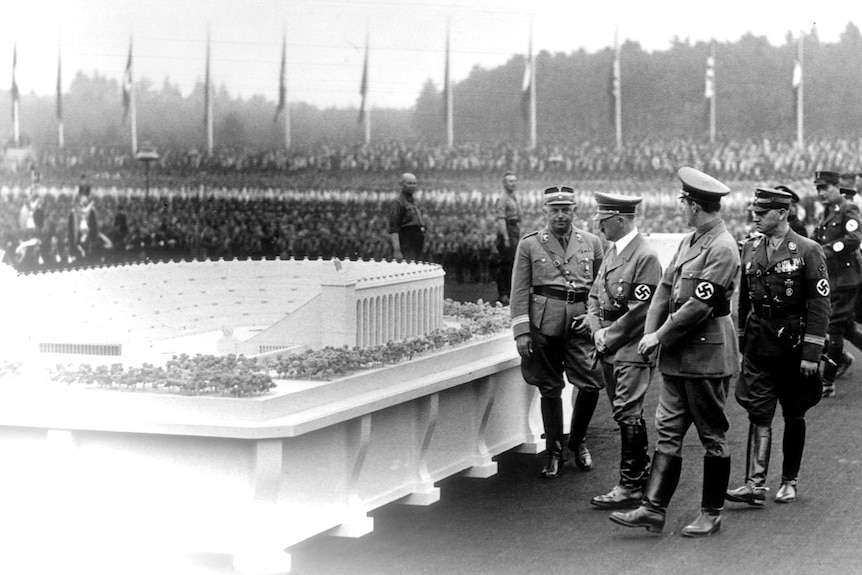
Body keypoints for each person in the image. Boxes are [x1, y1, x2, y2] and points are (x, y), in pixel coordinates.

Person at [610, 167, 739, 537]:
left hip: (706, 356)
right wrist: (649, 335)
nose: (681, 207)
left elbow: (698, 308)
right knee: (667, 430)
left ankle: (711, 513)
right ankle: (652, 508)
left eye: (684, 202)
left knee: (712, 435)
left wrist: (659, 337)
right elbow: (664, 291)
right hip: (678, 356)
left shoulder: (722, 247)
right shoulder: (690, 241)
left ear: (696, 206)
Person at [725, 188, 829, 509]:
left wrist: (812, 354)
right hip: (759, 341)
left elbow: (820, 304)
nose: (754, 216)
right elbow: (744, 300)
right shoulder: (750, 247)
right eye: (755, 211)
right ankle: (754, 484)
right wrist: (743, 344)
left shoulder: (808, 250)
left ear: (782, 214)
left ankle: (789, 480)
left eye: (762, 212)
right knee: (759, 409)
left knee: (794, 412)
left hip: (794, 344)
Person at [510, 185, 605, 478]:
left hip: (580, 324)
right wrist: (522, 332)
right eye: (555, 210)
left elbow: (600, 288)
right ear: (545, 212)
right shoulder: (529, 244)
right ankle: (553, 451)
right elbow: (519, 290)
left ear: (575, 211)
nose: (560, 216)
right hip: (543, 325)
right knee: (550, 387)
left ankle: (577, 442)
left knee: (590, 384)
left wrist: (594, 318)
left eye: (566, 210)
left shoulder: (592, 243)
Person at [587, 192, 662, 509]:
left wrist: (608, 336)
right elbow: (594, 296)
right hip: (609, 344)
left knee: (627, 411)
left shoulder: (644, 256)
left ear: (619, 219)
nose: (600, 228)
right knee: (624, 412)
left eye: (603, 222)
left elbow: (643, 310)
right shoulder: (614, 251)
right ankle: (639, 475)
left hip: (630, 347)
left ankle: (630, 485)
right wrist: (596, 330)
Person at [812, 171, 862, 397]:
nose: (822, 193)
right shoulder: (827, 212)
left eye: (826, 188)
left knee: (834, 328)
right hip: (832, 278)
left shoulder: (848, 209)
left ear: (837, 187)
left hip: (845, 279)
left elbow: (854, 239)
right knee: (846, 326)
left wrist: (827, 251)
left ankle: (827, 382)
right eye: (818, 189)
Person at [494, 171, 521, 305]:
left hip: (514, 230)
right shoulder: (503, 198)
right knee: (505, 264)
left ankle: (510, 292)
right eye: (510, 181)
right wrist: (505, 237)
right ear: (504, 183)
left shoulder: (513, 197)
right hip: (507, 231)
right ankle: (503, 293)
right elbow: (501, 219)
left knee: (512, 263)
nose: (513, 183)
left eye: (514, 181)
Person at [388, 172, 425, 261]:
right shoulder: (397, 202)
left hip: (417, 241)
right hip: (406, 240)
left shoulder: (415, 202)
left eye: (414, 183)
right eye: (409, 183)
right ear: (402, 185)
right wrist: (397, 250)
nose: (412, 186)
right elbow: (394, 228)